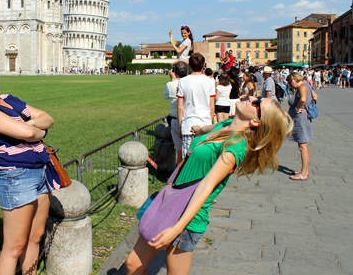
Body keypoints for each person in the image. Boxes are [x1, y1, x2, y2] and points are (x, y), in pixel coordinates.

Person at [125, 97, 293, 275]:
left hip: (189, 216)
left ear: (256, 121)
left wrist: (177, 227)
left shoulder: (235, 146)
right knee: (132, 265)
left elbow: (206, 186)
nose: (252, 98)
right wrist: (198, 130)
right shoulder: (226, 124)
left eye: (257, 103)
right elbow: (207, 129)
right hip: (170, 201)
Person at [0, 58, 58, 275]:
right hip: (17, 176)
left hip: (40, 171)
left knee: (35, 237)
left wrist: (29, 127)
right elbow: (30, 132)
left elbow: (48, 118)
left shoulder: (9, 99)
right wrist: (37, 131)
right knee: (13, 247)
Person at [177, 53, 216, 158]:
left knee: (187, 161)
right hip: (205, 124)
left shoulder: (182, 81)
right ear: (203, 65)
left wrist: (180, 127)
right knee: (204, 159)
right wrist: (210, 122)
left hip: (188, 124)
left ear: (189, 65)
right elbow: (212, 107)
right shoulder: (210, 81)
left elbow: (180, 107)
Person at [286, 72, 317, 181]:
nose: (290, 85)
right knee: (302, 145)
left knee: (302, 146)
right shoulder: (307, 85)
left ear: (294, 79)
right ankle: (304, 170)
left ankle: (304, 174)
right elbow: (315, 96)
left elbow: (303, 99)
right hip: (303, 118)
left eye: (290, 82)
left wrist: (298, 108)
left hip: (301, 119)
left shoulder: (302, 87)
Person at [164, 61, 188, 165]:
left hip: (175, 119)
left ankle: (178, 177)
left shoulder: (170, 84)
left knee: (179, 151)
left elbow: (166, 96)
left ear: (174, 72)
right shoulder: (189, 82)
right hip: (188, 118)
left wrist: (172, 80)